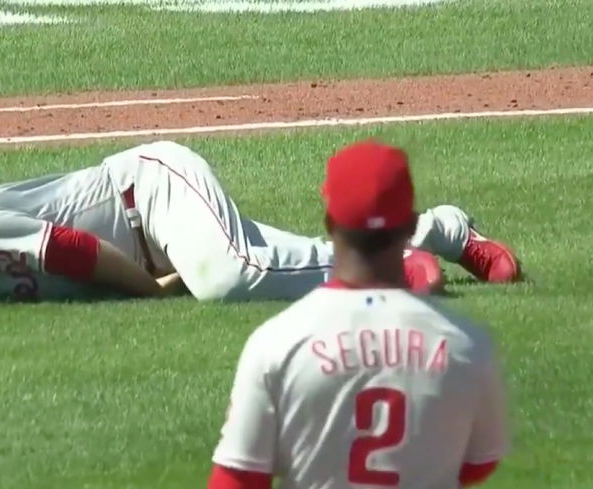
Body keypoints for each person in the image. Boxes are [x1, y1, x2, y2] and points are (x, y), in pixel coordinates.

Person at [0, 141, 519, 306]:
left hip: (150, 195)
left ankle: (385, 275)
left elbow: (71, 248)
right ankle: (447, 233)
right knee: (278, 258)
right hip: (144, 226)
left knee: (224, 279)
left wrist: (152, 292)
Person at [206, 141, 509, 489]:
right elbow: (476, 465)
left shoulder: (276, 345)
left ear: (329, 221)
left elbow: (237, 480)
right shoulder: (466, 346)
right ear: (412, 226)